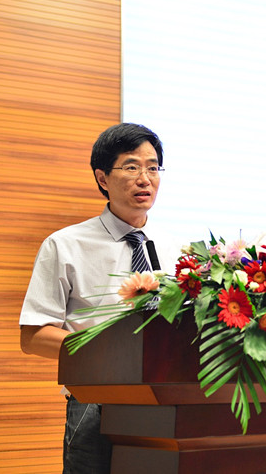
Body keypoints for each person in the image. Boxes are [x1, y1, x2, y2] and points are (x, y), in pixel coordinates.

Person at [19, 123, 176, 473]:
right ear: (102, 178)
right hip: (96, 404)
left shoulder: (174, 247)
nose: (145, 179)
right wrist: (112, 352)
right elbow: (33, 336)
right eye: (132, 167)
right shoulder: (65, 245)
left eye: (153, 168)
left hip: (166, 405)